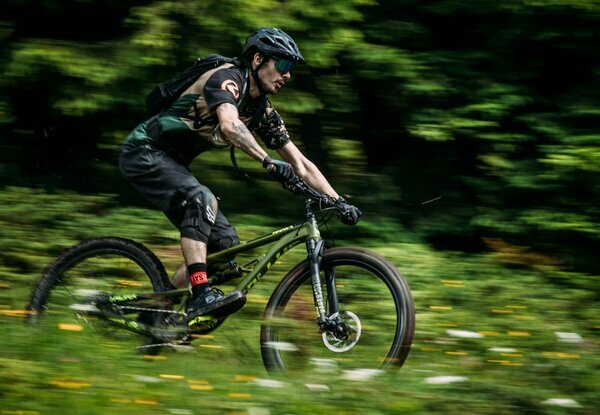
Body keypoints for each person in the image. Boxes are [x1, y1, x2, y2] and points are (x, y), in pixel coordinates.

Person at [119, 27, 361, 326]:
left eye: (291, 69)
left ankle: (158, 309)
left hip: (174, 164)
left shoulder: (261, 111)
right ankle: (201, 294)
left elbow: (300, 162)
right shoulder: (227, 78)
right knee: (201, 199)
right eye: (283, 64)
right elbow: (231, 126)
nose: (287, 75)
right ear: (258, 59)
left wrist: (337, 201)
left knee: (225, 245)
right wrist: (267, 161)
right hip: (144, 151)